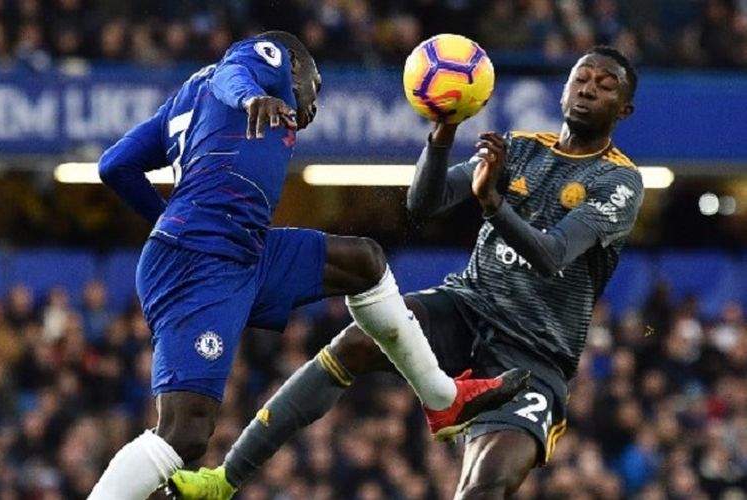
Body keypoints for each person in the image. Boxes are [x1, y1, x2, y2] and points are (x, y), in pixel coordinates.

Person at [170, 45, 644, 500]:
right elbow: (423, 204)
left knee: (484, 486)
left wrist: (492, 205)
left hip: (535, 354)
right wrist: (440, 137)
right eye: (580, 78)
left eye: (604, 86)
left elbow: (552, 255)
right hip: (467, 307)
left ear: (623, 111)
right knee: (353, 343)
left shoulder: (618, 181)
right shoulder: (519, 149)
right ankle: (224, 481)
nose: (587, 89)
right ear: (563, 91)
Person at [88, 30, 527, 500]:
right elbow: (234, 73)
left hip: (244, 251)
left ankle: (443, 401)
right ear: (295, 67)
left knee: (363, 263)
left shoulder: (182, 103)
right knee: (185, 433)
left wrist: (167, 222)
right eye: (316, 87)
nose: (312, 108)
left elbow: (116, 165)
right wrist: (255, 95)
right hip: (198, 264)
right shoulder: (261, 64)